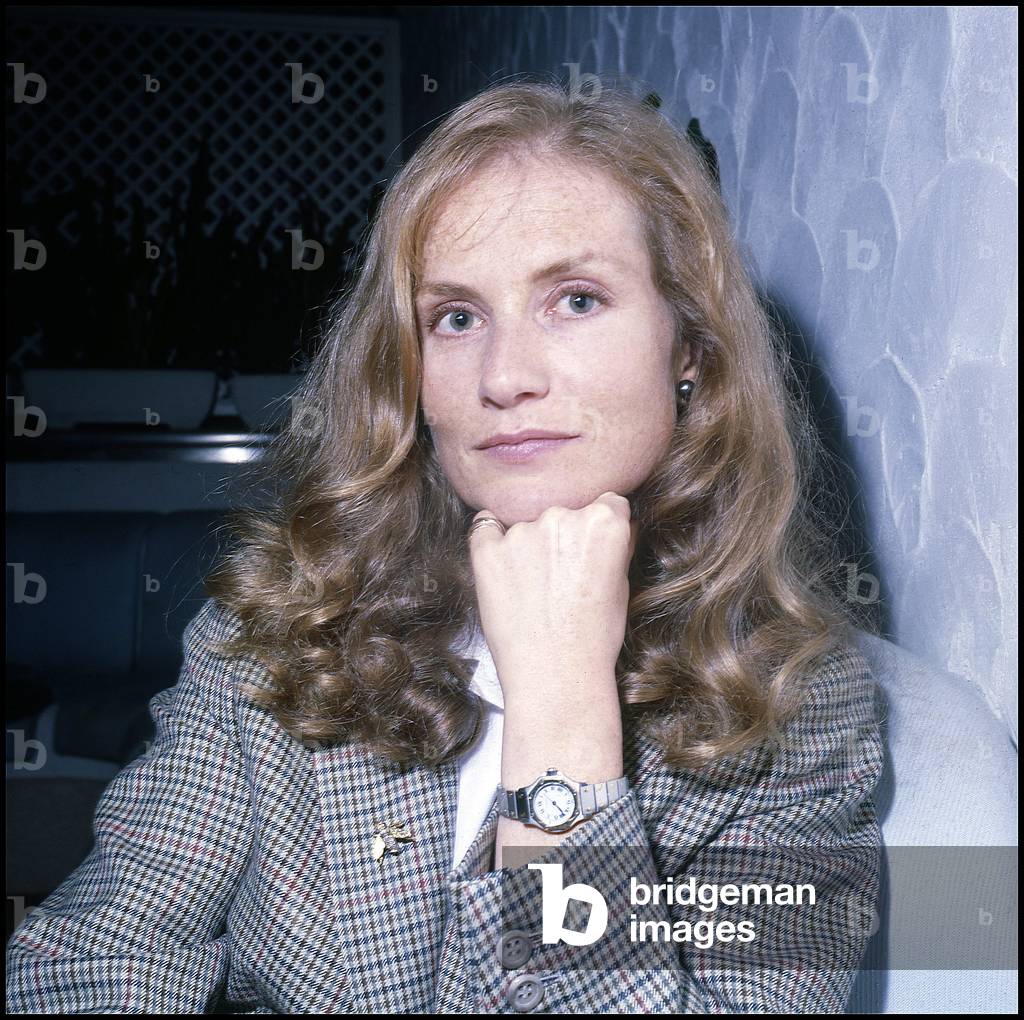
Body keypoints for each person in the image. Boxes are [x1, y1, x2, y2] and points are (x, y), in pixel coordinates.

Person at [6, 75, 884, 1014]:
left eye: (576, 299)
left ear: (691, 349)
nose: (503, 376)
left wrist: (562, 719)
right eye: (455, 318)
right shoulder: (275, 627)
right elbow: (97, 951)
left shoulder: (799, 714)